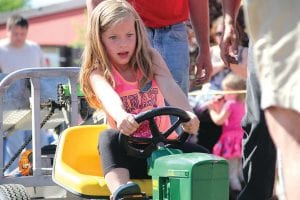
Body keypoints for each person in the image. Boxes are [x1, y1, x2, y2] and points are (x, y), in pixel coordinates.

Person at [79, 1, 208, 199]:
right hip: (129, 154)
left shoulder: (150, 58)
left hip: (162, 149)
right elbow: (109, 97)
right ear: (100, 39)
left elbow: (170, 87)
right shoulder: (98, 71)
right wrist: (121, 115)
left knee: (205, 157)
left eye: (129, 36)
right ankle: (122, 191)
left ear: (138, 34)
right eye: (113, 37)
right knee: (108, 138)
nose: (123, 43)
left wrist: (187, 113)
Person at [220, 0, 300, 199]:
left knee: (291, 137)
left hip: (281, 22)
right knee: (259, 123)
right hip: (269, 24)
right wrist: (230, 20)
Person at [86, 0, 213, 95]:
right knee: (130, 102)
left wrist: (205, 50)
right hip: (128, 31)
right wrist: (98, 45)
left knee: (176, 106)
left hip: (174, 30)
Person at [0, 14, 54, 175]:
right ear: (8, 31)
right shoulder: (1, 49)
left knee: (40, 141)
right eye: (16, 34)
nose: (19, 38)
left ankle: (43, 176)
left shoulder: (34, 48)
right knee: (15, 144)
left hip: (34, 103)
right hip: (10, 106)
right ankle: (13, 179)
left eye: (23, 34)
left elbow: (42, 75)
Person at [207, 73, 246, 196]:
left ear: (236, 91)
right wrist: (219, 108)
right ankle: (245, 191)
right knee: (240, 171)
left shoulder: (230, 104)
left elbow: (219, 120)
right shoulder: (243, 104)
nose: (224, 94)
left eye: (227, 91)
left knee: (231, 173)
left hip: (230, 141)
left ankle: (237, 194)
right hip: (240, 140)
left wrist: (211, 110)